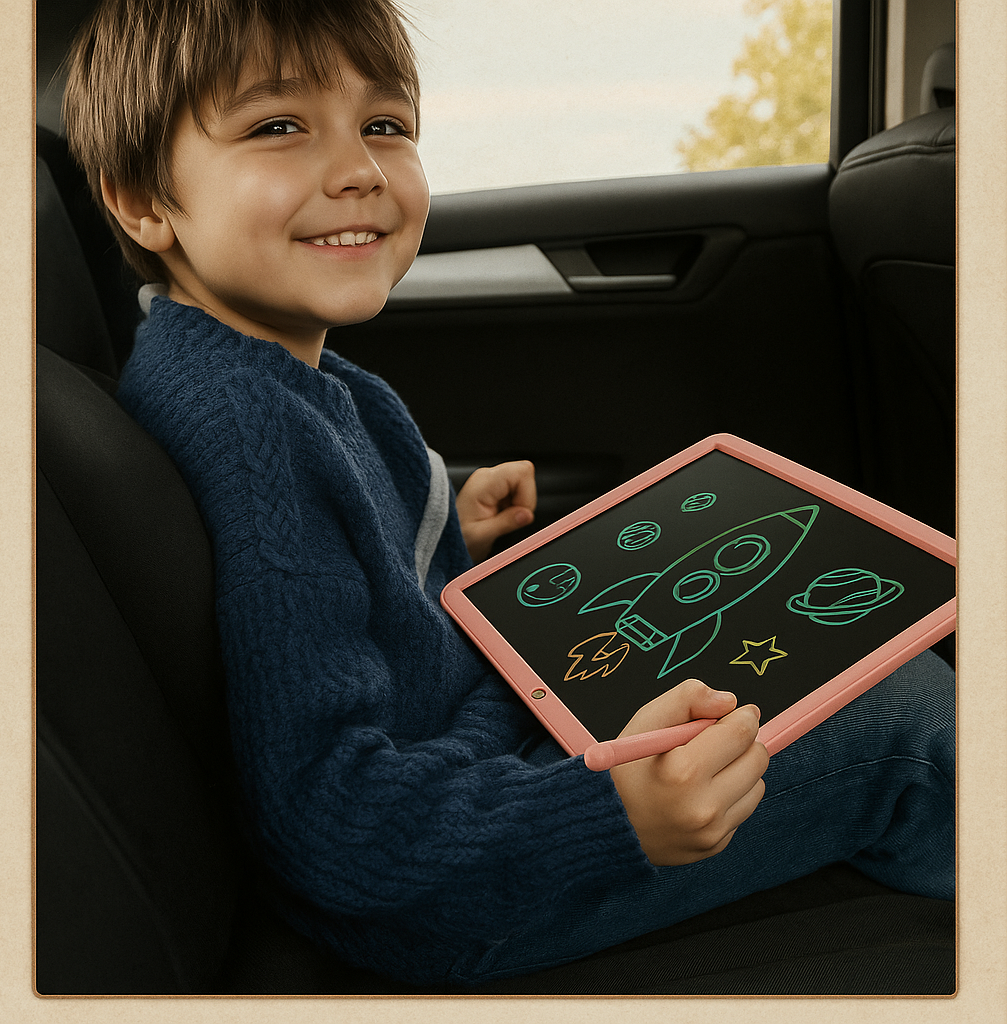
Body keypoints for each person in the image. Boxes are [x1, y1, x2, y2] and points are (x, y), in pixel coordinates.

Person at [62, 0, 954, 988]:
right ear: (143, 200)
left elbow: (342, 574)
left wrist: (449, 524)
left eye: (385, 125)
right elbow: (328, 814)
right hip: (445, 894)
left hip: (487, 742)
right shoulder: (246, 432)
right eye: (278, 126)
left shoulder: (267, 376)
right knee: (904, 712)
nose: (359, 166)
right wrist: (614, 815)